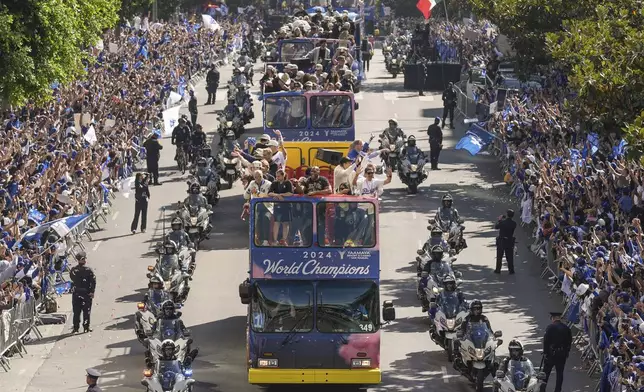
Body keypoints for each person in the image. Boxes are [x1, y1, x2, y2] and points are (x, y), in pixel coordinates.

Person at [540, 312, 572, 392]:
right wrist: (566, 352)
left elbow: (546, 341)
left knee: (545, 374)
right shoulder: (566, 328)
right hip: (562, 354)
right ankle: (558, 390)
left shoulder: (550, 327)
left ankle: (542, 389)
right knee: (560, 374)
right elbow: (569, 341)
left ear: (553, 318)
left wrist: (545, 353)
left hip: (551, 354)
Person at [70, 251, 96, 333]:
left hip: (76, 293)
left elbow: (72, 279)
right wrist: (92, 291)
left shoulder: (73, 270)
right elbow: (93, 281)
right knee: (86, 311)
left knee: (76, 311)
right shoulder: (88, 270)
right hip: (86, 293)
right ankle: (86, 327)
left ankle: (75, 328)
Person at [268, 169, 294, 245]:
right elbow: (269, 193)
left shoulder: (288, 183)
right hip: (277, 206)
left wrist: (281, 195)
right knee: (276, 223)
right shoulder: (274, 183)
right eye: (276, 176)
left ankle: (284, 240)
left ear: (283, 176)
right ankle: (275, 240)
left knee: (285, 223)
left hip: (287, 206)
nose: (277, 178)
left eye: (279, 176)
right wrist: (277, 195)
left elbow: (290, 193)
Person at [495, 209, 517, 274]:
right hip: (509, 240)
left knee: (499, 256)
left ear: (507, 215)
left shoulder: (502, 222)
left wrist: (499, 220)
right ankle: (511, 270)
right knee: (510, 256)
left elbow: (496, 227)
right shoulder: (514, 223)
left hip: (501, 240)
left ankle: (498, 269)